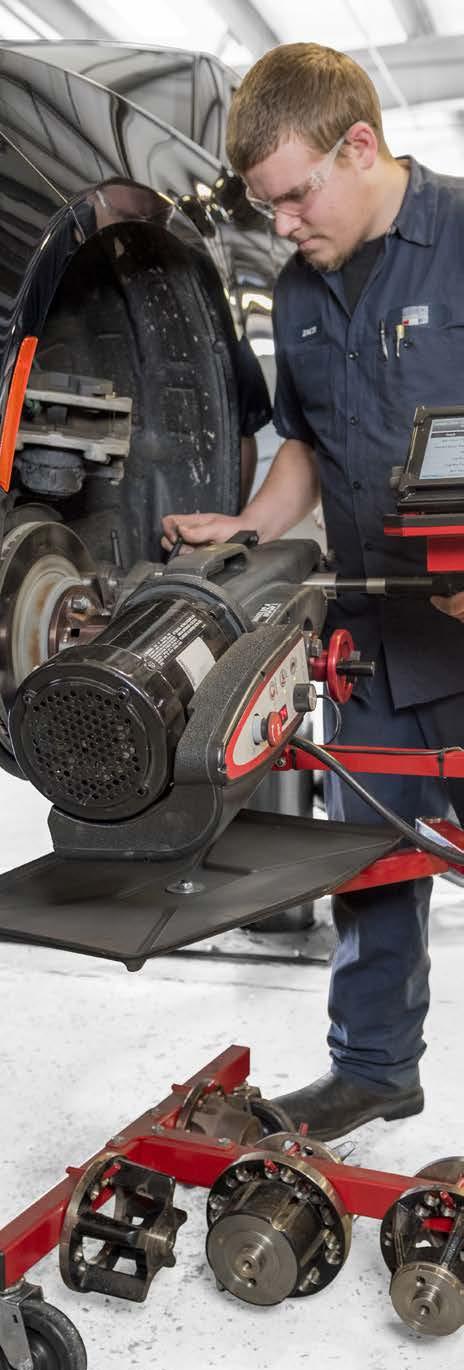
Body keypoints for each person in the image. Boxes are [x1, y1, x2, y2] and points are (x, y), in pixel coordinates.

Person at [162, 42, 464, 1139]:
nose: (283, 224)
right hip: (371, 635)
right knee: (368, 861)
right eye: (267, 206)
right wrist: (248, 526)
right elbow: (307, 441)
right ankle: (373, 1068)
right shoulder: (297, 289)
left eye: (295, 196)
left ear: (359, 146)